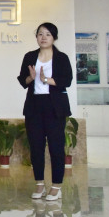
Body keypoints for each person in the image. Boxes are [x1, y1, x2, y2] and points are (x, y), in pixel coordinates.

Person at [17, 22, 72, 201]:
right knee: (36, 147)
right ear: (36, 37)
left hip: (55, 107)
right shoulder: (30, 56)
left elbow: (67, 80)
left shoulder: (61, 58)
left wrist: (46, 79)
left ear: (54, 37)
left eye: (48, 34)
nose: (43, 37)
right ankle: (39, 183)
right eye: (40, 34)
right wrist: (31, 78)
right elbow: (22, 80)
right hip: (34, 107)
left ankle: (56, 186)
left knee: (56, 147)